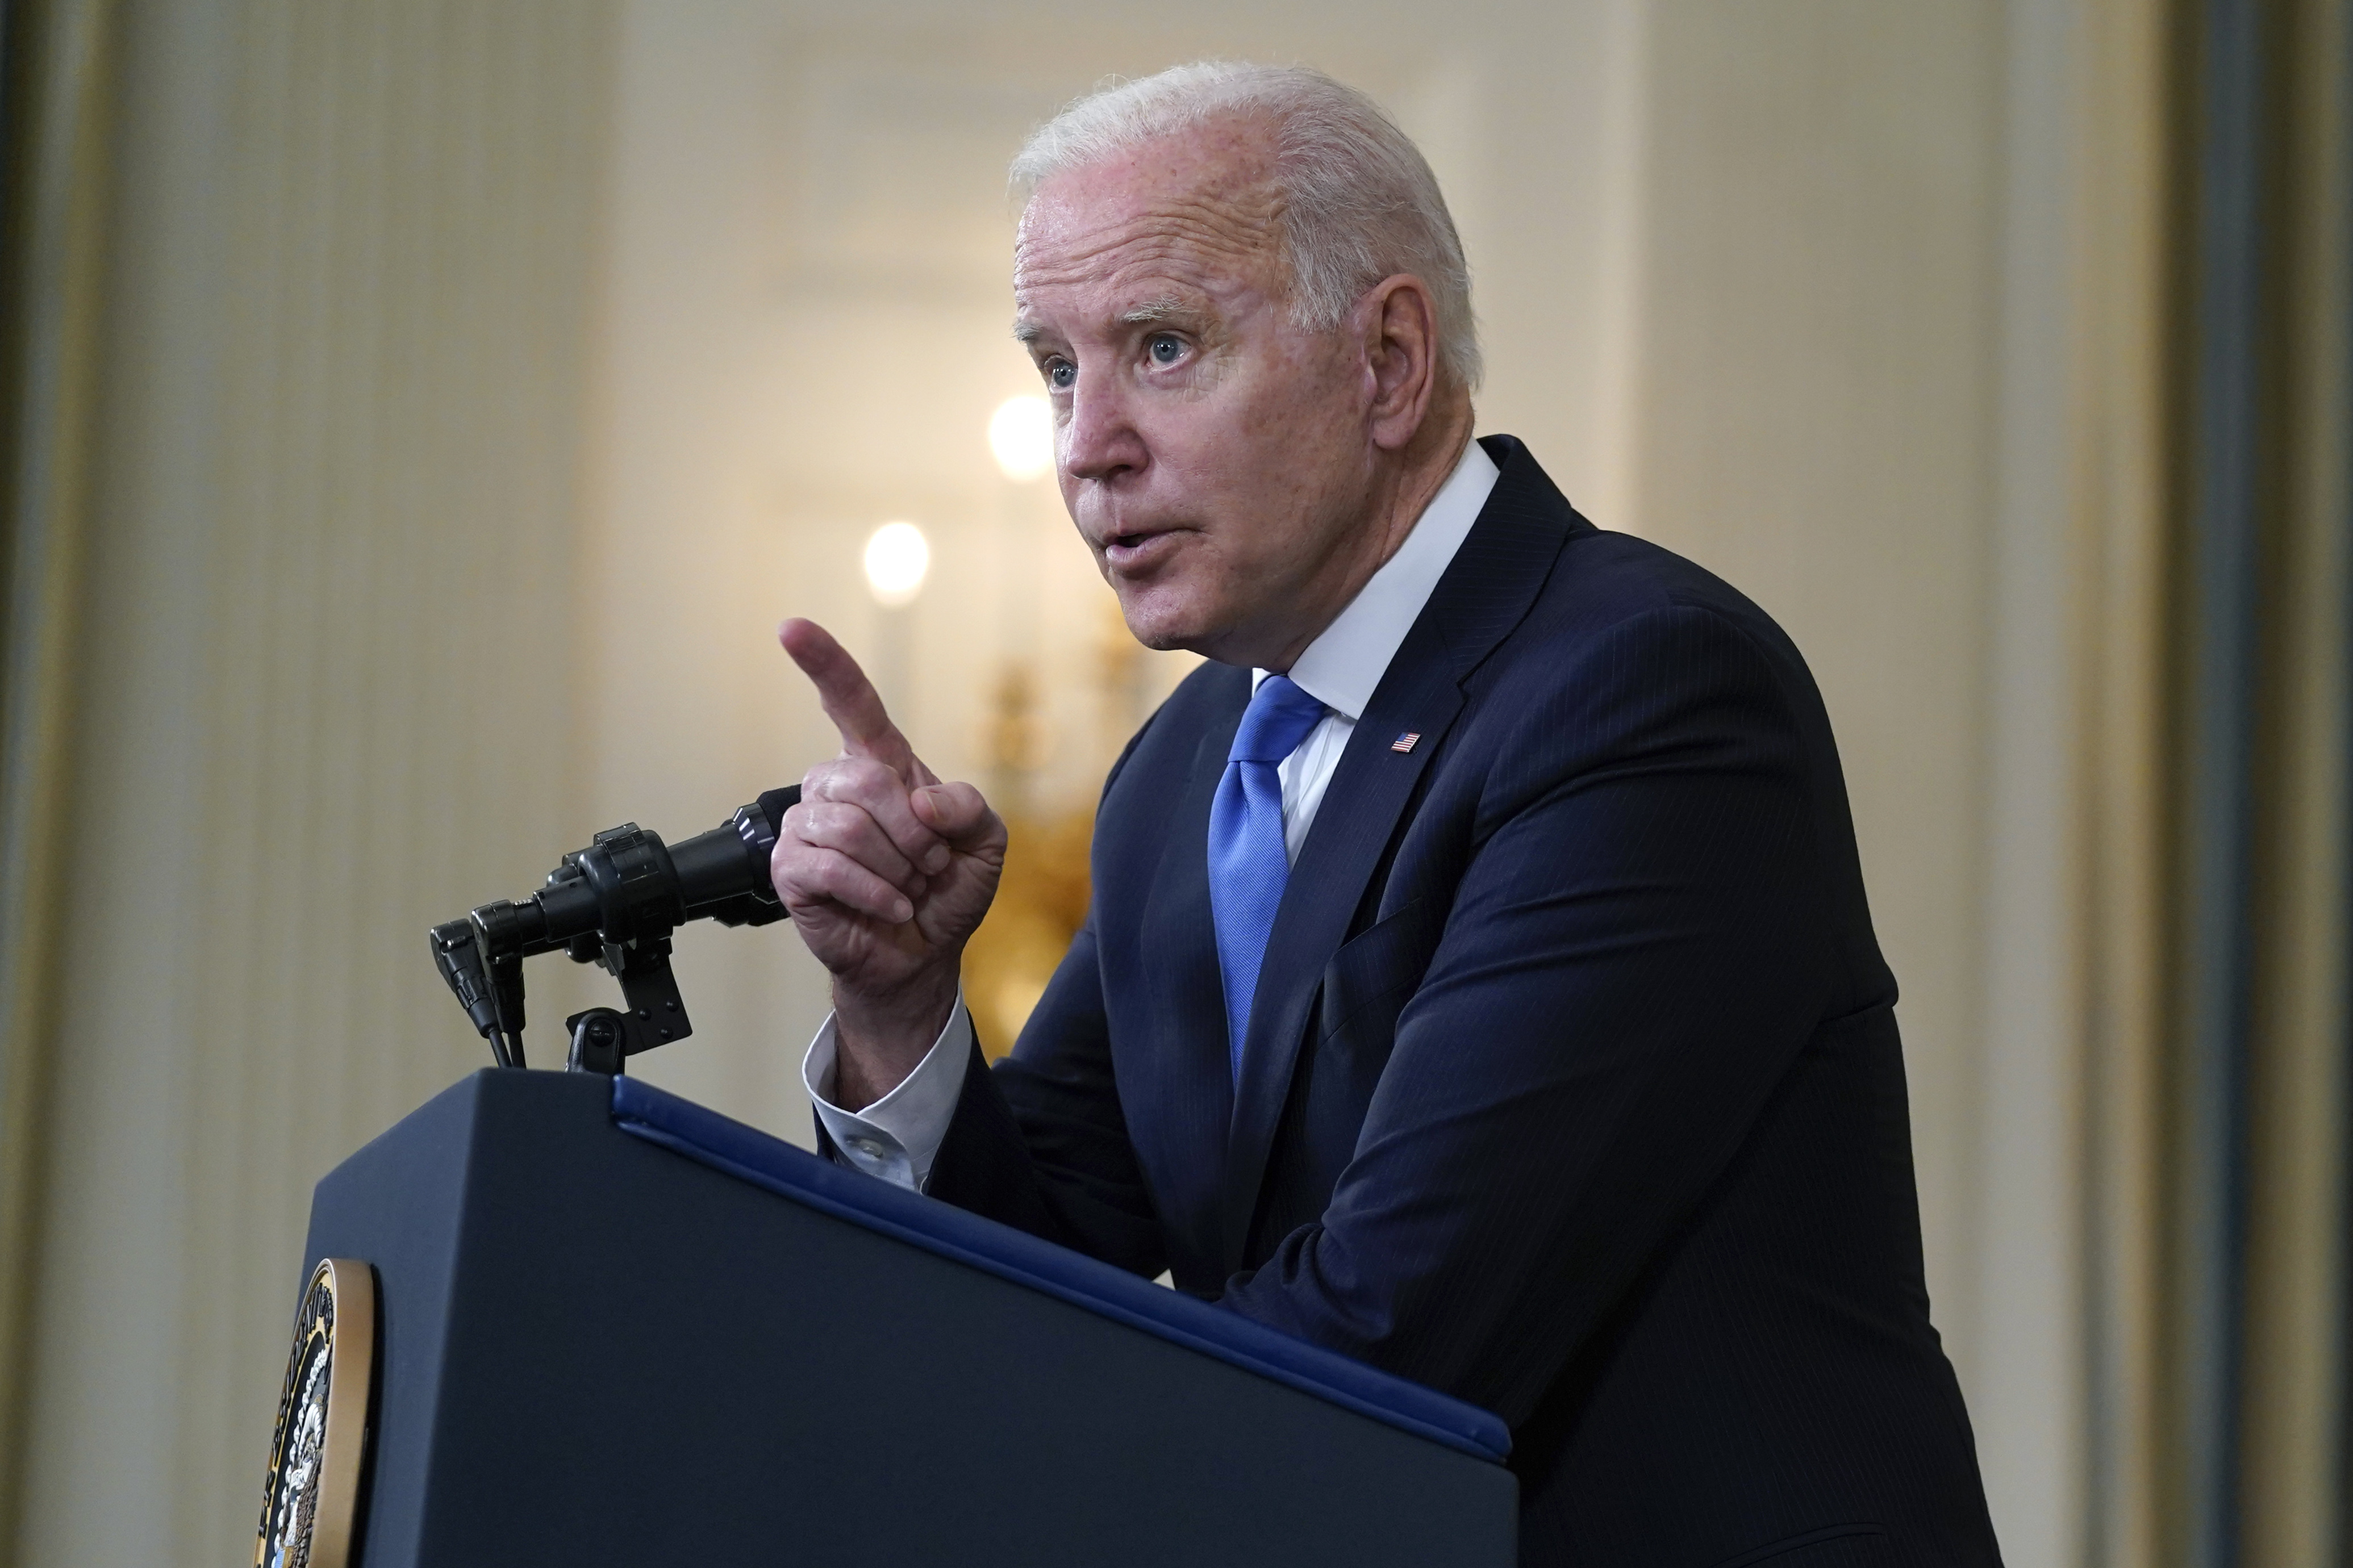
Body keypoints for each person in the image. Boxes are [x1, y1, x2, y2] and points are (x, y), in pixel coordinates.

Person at [770, 61, 2002, 1568]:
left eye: (1162, 347)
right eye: (1055, 368)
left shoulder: (1648, 697)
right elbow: (1037, 1281)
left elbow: (1390, 1340)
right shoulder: (1180, 771)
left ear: (1390, 360)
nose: (1083, 445)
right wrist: (900, 1012)